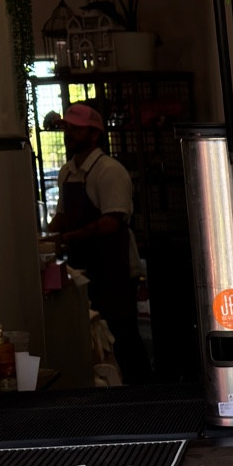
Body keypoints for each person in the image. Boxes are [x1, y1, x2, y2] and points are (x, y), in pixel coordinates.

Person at [47, 101, 150, 384]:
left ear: (95, 135)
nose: (69, 134)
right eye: (67, 128)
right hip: (84, 268)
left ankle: (143, 393)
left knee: (122, 334)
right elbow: (63, 216)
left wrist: (68, 238)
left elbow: (113, 222)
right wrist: (43, 239)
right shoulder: (67, 172)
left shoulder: (110, 171)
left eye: (77, 130)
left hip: (115, 269)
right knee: (93, 337)